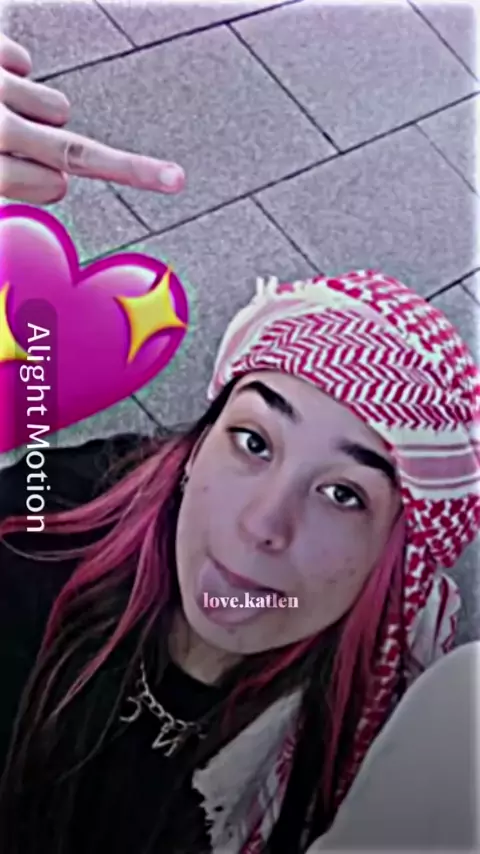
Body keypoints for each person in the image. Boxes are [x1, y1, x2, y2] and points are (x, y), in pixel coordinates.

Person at [0, 32, 479, 854]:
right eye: (254, 441)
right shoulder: (43, 536)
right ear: (197, 446)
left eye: (343, 494)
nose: (263, 524)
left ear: (394, 560)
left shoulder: (395, 755)